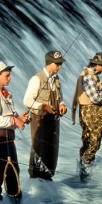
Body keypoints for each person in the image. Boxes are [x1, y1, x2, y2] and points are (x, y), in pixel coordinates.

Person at [0, 62, 28, 204]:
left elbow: (10, 117)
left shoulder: (5, 94)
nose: (10, 78)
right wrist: (15, 120)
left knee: (14, 174)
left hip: (8, 142)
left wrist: (19, 119)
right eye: (7, 75)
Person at [23, 50, 67, 181]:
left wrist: (62, 105)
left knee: (52, 149)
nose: (60, 66)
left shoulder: (56, 79)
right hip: (39, 120)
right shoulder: (37, 79)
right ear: (49, 63)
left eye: (60, 64)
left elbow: (61, 96)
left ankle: (47, 177)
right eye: (57, 64)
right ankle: (35, 178)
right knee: (39, 148)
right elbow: (27, 101)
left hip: (53, 120)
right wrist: (44, 106)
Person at [72, 53, 102, 166]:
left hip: (87, 112)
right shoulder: (89, 76)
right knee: (94, 141)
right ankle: (86, 164)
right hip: (92, 113)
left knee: (87, 139)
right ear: (97, 64)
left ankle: (84, 164)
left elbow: (92, 89)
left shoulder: (89, 74)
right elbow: (95, 98)